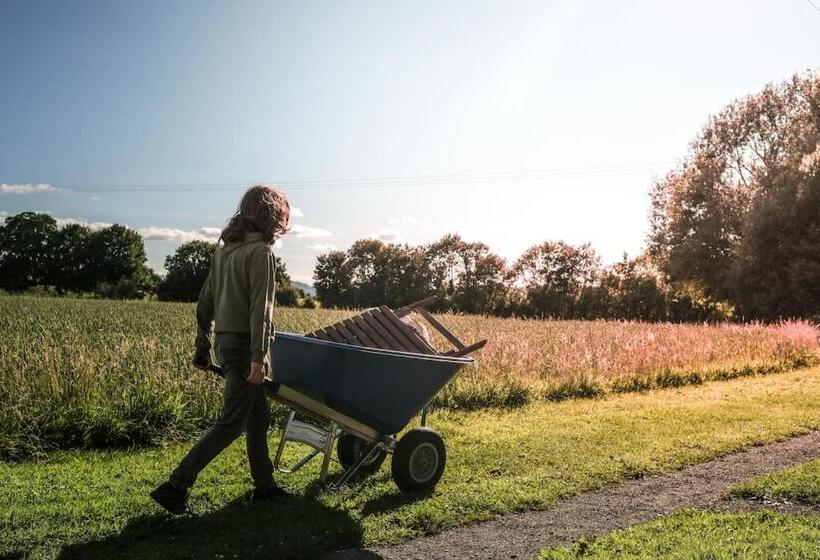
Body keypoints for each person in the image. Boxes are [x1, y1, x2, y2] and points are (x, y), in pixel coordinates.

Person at [151, 185, 291, 514]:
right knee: (230, 423)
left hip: (225, 342)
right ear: (272, 217)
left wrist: (203, 345)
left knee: (258, 418)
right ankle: (176, 487)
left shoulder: (225, 251)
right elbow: (262, 310)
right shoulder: (261, 254)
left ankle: (265, 487)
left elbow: (205, 301)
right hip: (245, 346)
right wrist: (260, 356)